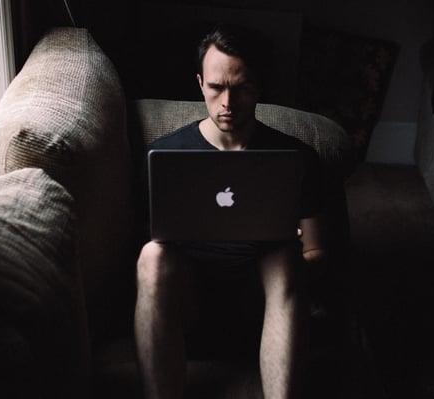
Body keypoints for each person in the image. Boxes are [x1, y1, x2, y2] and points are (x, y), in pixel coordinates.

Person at [134, 24, 327, 399]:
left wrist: (300, 250)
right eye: (216, 87)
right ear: (200, 83)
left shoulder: (296, 158)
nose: (227, 102)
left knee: (286, 256)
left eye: (240, 88)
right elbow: (147, 244)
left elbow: (318, 250)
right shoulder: (165, 157)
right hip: (188, 298)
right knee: (152, 254)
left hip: (265, 298)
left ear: (259, 86)